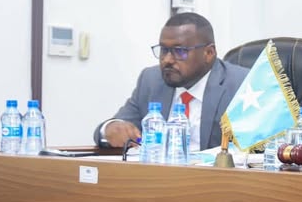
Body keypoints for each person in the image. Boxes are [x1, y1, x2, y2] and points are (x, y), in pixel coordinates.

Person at [94, 12, 247, 152]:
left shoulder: (241, 85)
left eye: (180, 51)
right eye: (164, 50)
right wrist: (110, 129)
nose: (167, 60)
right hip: (161, 178)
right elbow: (118, 125)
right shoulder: (151, 80)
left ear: (208, 53)